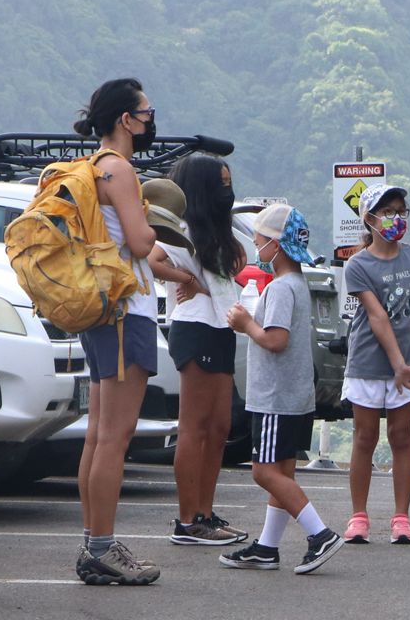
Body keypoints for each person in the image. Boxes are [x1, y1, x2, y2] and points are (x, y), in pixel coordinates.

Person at [220, 204, 344, 574]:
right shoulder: (297, 284)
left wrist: (245, 323)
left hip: (276, 398)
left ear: (275, 244)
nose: (256, 245)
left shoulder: (280, 289)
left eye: (259, 239)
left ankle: (319, 533)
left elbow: (274, 340)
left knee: (263, 471)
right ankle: (267, 547)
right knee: (282, 472)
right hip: (295, 396)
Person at [73, 78, 162, 585]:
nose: (151, 121)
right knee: (115, 438)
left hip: (103, 311)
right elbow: (138, 238)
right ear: (125, 120)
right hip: (129, 308)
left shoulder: (91, 167)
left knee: (97, 435)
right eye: (147, 113)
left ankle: (94, 542)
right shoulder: (120, 169)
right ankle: (103, 547)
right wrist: (156, 227)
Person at [146, 156, 249, 546]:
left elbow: (232, 269)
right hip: (195, 328)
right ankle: (189, 520)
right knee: (195, 427)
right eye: (221, 184)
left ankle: (205, 513)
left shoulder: (217, 231)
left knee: (219, 426)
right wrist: (187, 279)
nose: (228, 190)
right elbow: (154, 260)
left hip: (220, 326)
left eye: (230, 182)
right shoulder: (182, 230)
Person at [341, 184, 410, 545]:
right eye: (388, 212)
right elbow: (378, 318)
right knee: (364, 438)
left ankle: (401, 518)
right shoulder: (358, 265)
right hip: (368, 362)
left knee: (401, 437)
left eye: (401, 211)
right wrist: (399, 364)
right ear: (370, 219)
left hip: (406, 366)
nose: (396, 218)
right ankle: (359, 517)